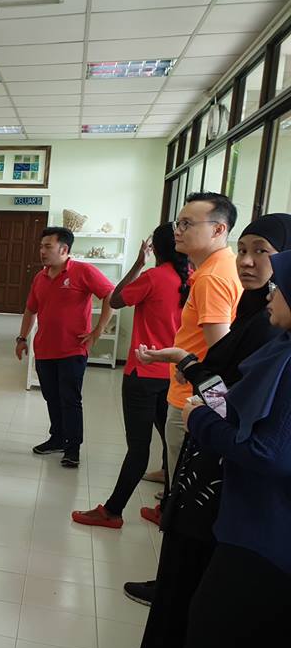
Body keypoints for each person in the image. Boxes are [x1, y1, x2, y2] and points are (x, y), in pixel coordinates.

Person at [95, 214, 291, 648]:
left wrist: (202, 409)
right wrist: (186, 364)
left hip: (241, 502)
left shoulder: (264, 330)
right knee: (186, 573)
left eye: (262, 252)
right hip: (221, 482)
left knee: (203, 599)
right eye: (245, 248)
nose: (249, 262)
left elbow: (257, 435)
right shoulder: (255, 310)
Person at [72, 223, 190, 528]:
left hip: (144, 370)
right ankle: (167, 507)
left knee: (138, 447)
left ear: (157, 249)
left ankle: (112, 510)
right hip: (178, 373)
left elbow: (116, 299)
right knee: (170, 441)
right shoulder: (193, 279)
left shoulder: (154, 276)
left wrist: (139, 263)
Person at [139, 192, 242, 528]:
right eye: (177, 223)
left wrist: (188, 365)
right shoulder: (220, 267)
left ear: (218, 230)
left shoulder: (211, 278)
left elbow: (221, 352)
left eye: (187, 224)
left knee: (184, 496)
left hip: (192, 401)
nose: (178, 231)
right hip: (197, 395)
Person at [16, 226, 114, 468]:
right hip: (44, 349)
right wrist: (21, 338)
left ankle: (72, 448)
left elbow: (110, 295)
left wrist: (97, 332)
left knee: (70, 399)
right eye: (41, 246)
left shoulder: (83, 271)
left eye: (47, 246)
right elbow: (31, 309)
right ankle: (57, 438)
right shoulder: (40, 277)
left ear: (64, 249)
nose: (42, 251)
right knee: (51, 397)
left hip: (73, 350)